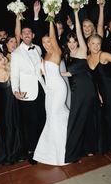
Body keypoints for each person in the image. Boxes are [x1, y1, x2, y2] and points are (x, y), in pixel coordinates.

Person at [63, 5, 98, 163]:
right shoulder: (67, 56)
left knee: (79, 118)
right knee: (80, 118)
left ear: (78, 42)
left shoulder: (82, 50)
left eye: (74, 41)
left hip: (85, 88)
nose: (72, 44)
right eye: (69, 42)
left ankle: (74, 153)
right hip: (76, 89)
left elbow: (78, 31)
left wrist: (76, 14)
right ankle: (84, 149)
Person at [33, 12, 69, 165]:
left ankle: (62, 154)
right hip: (49, 92)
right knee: (53, 119)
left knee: (55, 117)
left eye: (49, 41)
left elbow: (54, 38)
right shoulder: (44, 56)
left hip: (59, 89)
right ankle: (51, 152)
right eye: (44, 42)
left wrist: (51, 18)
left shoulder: (57, 53)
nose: (47, 44)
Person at [10, 25, 46, 165]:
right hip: (26, 93)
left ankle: (43, 148)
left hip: (41, 89)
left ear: (33, 35)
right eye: (23, 33)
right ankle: (32, 151)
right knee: (30, 124)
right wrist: (15, 91)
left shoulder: (38, 48)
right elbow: (14, 75)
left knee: (42, 119)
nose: (26, 34)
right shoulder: (16, 53)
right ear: (21, 36)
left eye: (28, 32)